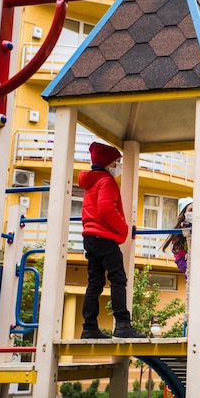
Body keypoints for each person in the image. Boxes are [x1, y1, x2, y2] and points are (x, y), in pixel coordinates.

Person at [78, 142, 144, 339]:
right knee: (118, 278)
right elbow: (106, 209)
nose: (119, 165)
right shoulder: (106, 181)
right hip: (104, 237)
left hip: (89, 237)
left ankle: (89, 327)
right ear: (108, 163)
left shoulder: (92, 182)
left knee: (95, 282)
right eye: (117, 162)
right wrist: (123, 228)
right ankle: (123, 324)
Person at [160, 197, 200, 336]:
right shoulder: (180, 236)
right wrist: (193, 269)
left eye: (197, 210)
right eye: (191, 210)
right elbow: (179, 260)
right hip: (194, 275)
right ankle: (186, 338)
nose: (194, 213)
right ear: (184, 214)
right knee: (192, 308)